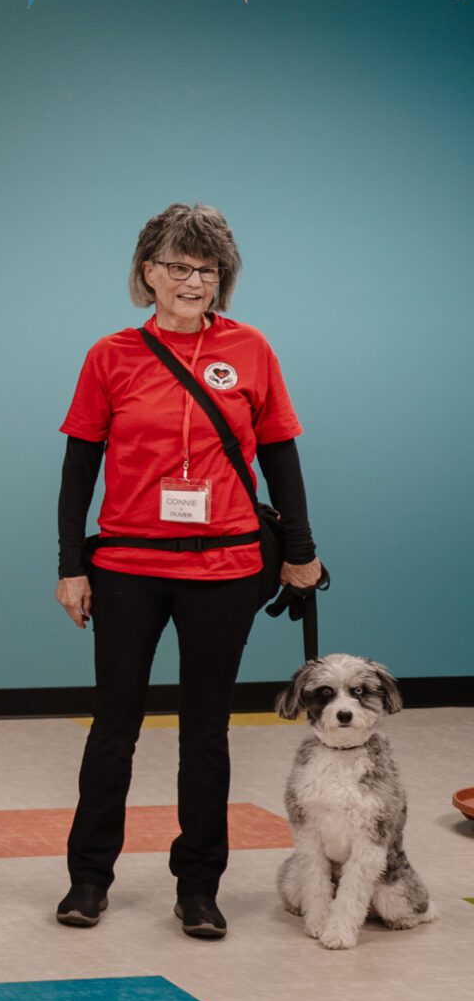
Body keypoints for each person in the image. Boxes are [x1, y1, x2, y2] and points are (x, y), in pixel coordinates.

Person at [53, 203, 320, 939]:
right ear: (148, 271)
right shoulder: (110, 356)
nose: (194, 281)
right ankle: (88, 879)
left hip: (226, 565)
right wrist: (71, 565)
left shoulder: (250, 350)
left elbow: (281, 456)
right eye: (178, 266)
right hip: (127, 567)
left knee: (206, 731)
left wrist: (300, 552)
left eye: (209, 269)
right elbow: (79, 467)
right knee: (114, 727)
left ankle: (199, 887)